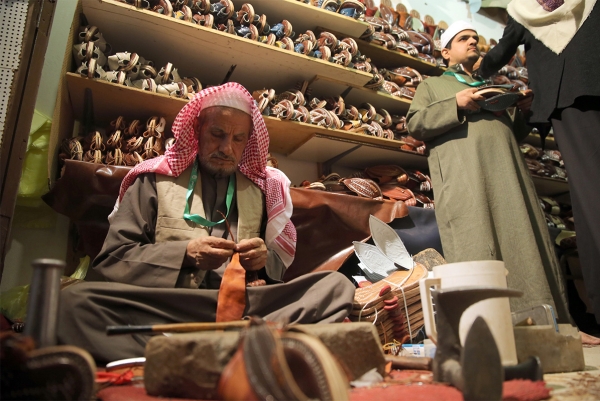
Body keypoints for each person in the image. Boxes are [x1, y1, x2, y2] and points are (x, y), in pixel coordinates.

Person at [56, 82, 356, 363]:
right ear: (197, 130)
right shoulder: (154, 181)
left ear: (249, 141)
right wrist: (185, 254)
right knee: (73, 303)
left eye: (239, 139)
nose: (227, 147)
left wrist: (263, 261)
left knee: (335, 286)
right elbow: (114, 257)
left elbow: (276, 268)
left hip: (244, 305)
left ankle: (185, 354)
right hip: (170, 306)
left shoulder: (261, 188)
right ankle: (241, 352)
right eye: (217, 134)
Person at [406, 21, 570, 323]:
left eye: (475, 38)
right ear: (445, 51)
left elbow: (512, 134)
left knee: (522, 237)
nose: (472, 42)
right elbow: (415, 124)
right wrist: (457, 102)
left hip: (508, 175)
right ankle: (488, 326)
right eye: (463, 38)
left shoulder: (492, 86)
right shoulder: (433, 85)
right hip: (465, 174)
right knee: (475, 239)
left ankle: (547, 322)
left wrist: (522, 111)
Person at [478, 0, 600, 330]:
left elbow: (501, 51)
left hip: (570, 95)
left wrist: (476, 72)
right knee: (587, 205)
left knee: (590, 202)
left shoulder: (529, 8)